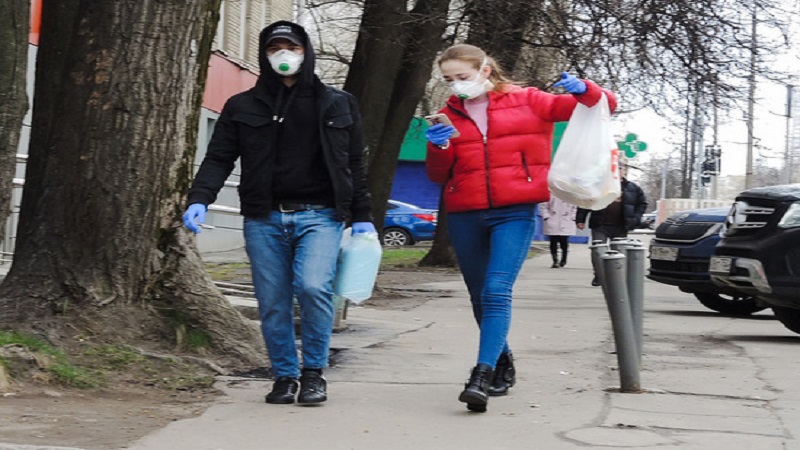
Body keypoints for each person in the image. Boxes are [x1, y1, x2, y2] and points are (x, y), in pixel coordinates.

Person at [182, 21, 375, 406]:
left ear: (306, 52)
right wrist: (199, 198)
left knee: (313, 287)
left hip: (320, 216)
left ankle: (314, 373)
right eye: (274, 49)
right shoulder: (242, 106)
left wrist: (363, 214)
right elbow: (219, 158)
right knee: (273, 300)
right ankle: (285, 375)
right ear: (264, 55)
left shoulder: (337, 103)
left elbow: (353, 163)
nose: (283, 56)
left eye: (291, 48)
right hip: (263, 217)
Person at [424, 43, 616, 412]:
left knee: (497, 290)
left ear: (485, 69)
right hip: (464, 212)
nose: (456, 85)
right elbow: (438, 175)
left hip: (514, 210)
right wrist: (439, 146)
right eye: (448, 79)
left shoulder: (530, 101)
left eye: (462, 77)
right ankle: (502, 360)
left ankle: (480, 374)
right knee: (480, 295)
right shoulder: (447, 115)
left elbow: (604, 104)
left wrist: (585, 88)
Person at [576, 165, 647, 286]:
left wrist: (635, 218)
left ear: (624, 171)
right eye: (614, 168)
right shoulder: (598, 186)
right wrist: (580, 219)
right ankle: (599, 275)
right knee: (598, 250)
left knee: (618, 253)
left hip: (621, 226)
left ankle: (616, 278)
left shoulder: (632, 188)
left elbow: (642, 203)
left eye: (620, 168)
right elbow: (586, 201)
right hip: (600, 224)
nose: (617, 171)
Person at [540, 196, 578, 268]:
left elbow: (575, 207)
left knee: (564, 241)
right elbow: (543, 205)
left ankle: (563, 259)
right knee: (553, 241)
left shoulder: (568, 195)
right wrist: (546, 216)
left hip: (566, 220)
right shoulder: (551, 194)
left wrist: (573, 217)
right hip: (552, 219)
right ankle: (555, 260)